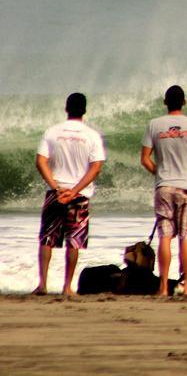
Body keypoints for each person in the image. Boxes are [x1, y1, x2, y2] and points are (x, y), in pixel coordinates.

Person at [33, 92, 106, 295]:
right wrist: (74, 191)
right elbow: (96, 167)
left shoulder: (52, 132)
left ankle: (42, 285)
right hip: (79, 195)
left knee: (47, 238)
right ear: (84, 110)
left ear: (66, 108)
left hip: (56, 192)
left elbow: (41, 161)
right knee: (74, 240)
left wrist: (57, 188)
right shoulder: (92, 135)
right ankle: (67, 287)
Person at [140, 85, 187, 297]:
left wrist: (160, 174)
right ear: (184, 102)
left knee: (165, 237)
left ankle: (162, 288)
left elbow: (145, 158)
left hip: (164, 187)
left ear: (165, 102)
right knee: (186, 237)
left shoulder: (154, 125)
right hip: (186, 189)